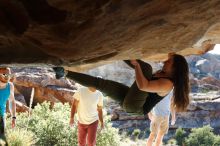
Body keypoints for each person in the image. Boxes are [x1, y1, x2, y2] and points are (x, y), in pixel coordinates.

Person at [54, 53, 189, 115]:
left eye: (169, 62)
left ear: (175, 68)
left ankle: (120, 52)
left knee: (146, 68)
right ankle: (64, 73)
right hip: (131, 100)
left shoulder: (168, 84)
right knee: (101, 83)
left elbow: (143, 86)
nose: (165, 62)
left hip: (135, 106)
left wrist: (137, 65)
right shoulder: (162, 73)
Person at [0, 67, 16, 144]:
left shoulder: (10, 86)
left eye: (9, 74)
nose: (7, 76)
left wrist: (13, 117)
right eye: (4, 74)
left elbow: (12, 101)